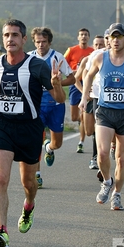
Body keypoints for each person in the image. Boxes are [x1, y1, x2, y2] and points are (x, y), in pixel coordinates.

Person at [0, 19, 65, 247]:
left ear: (24, 39)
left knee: (28, 183)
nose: (10, 39)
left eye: (15, 35)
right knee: (0, 178)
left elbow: (59, 98)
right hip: (3, 125)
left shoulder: (37, 66)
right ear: (3, 39)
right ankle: (1, 231)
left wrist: (57, 84)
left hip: (30, 128)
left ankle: (29, 206)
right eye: (6, 35)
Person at [79, 23, 124, 210]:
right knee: (103, 153)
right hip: (105, 111)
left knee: (121, 157)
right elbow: (87, 76)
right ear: (108, 39)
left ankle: (117, 194)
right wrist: (84, 97)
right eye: (112, 37)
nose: (116, 40)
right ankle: (106, 181)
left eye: (119, 37)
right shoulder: (100, 58)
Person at [28, 27, 75, 188]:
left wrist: (55, 83)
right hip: (36, 106)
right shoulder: (28, 58)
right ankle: (37, 174)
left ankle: (49, 148)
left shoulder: (57, 57)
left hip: (56, 105)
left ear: (49, 42)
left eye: (44, 42)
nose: (41, 45)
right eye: (38, 42)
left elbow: (72, 79)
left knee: (58, 143)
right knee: (34, 141)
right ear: (34, 42)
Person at [74, 34, 106, 170]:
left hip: (102, 99)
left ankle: (95, 157)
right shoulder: (91, 58)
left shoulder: (112, 57)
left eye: (101, 44)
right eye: (97, 44)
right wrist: (85, 94)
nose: (99, 47)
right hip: (90, 97)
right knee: (89, 131)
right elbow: (77, 78)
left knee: (100, 128)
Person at [64, 28, 94, 153]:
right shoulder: (71, 50)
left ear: (89, 37)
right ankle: (82, 122)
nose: (84, 37)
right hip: (75, 83)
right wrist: (70, 73)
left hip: (88, 83)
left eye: (86, 35)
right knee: (75, 116)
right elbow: (62, 64)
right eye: (81, 35)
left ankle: (81, 141)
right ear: (78, 37)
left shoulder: (93, 52)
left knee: (83, 115)